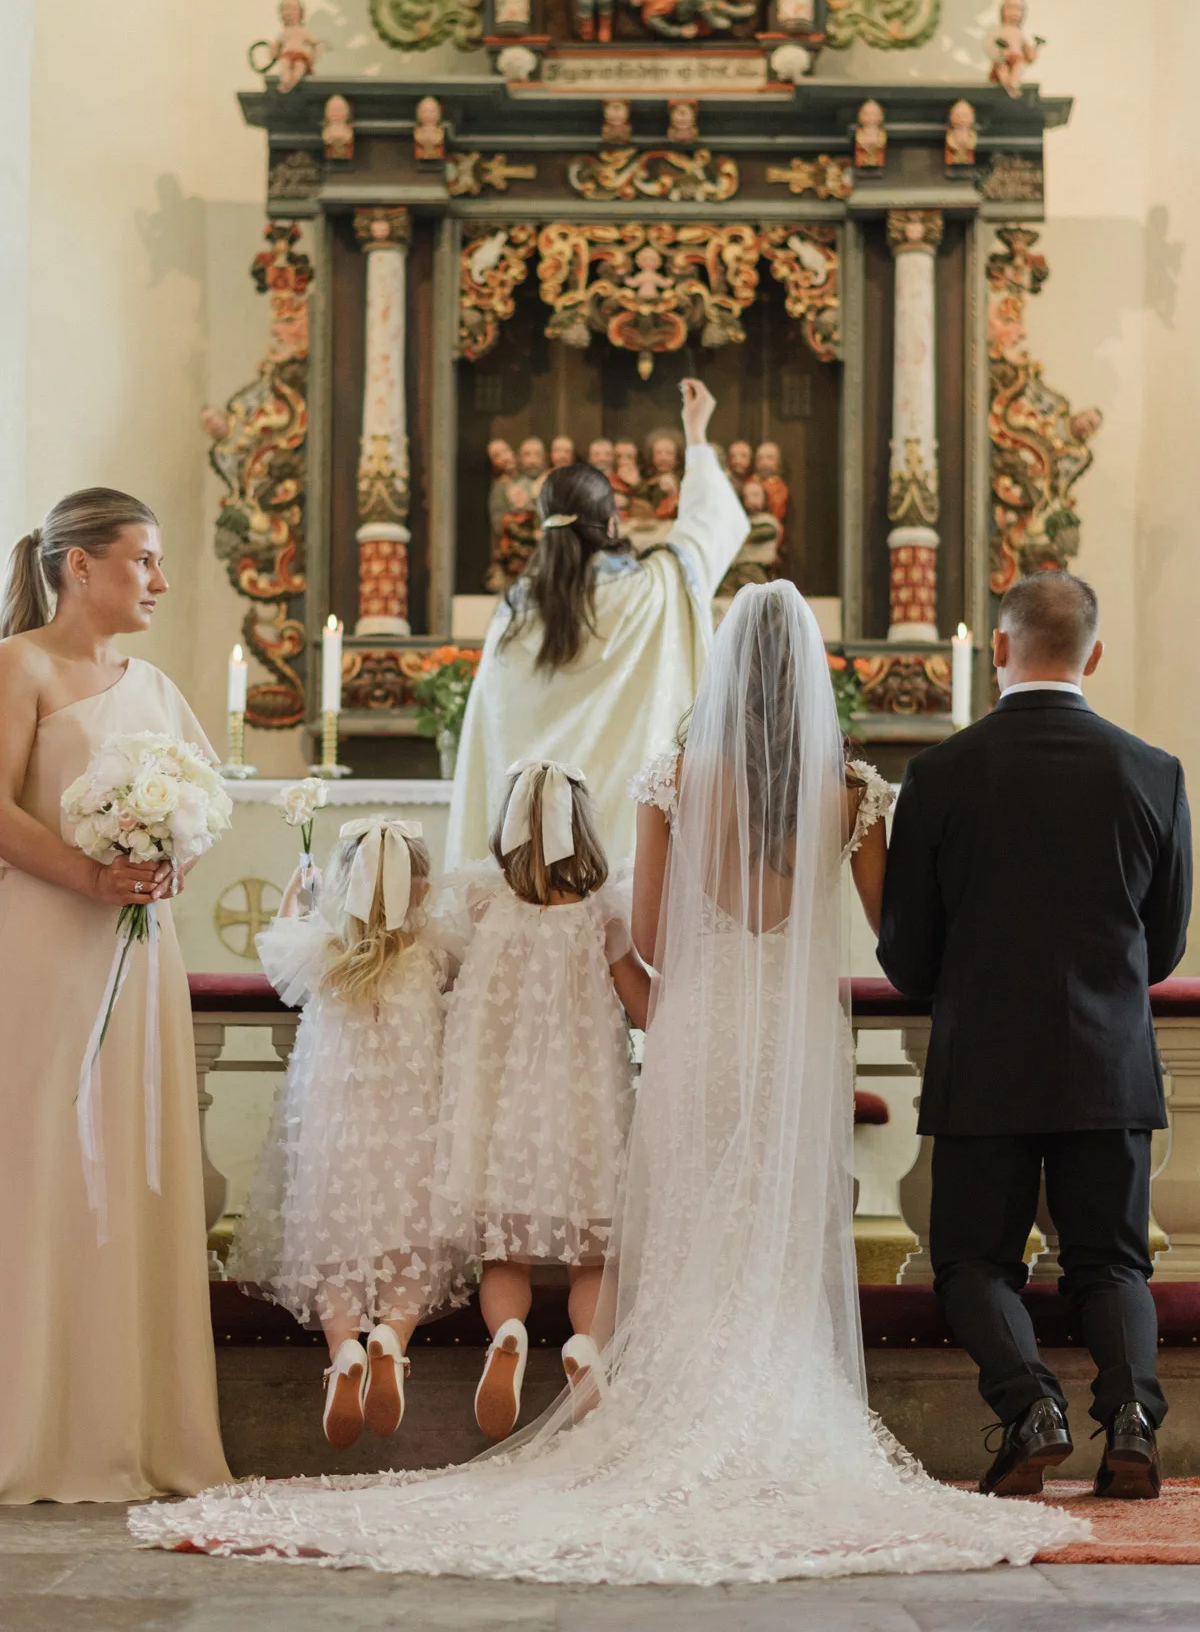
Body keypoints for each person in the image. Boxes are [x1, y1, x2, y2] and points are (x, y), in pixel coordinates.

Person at [132, 583, 1076, 1575]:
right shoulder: (850, 791)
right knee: (775, 1224)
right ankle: (771, 1398)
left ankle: (678, 1397)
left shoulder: (675, 777)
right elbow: (894, 938)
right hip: (792, 1043)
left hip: (698, 1035)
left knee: (691, 1223)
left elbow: (657, 939)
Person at [878, 571, 1192, 1500]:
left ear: (999, 654)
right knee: (1112, 1263)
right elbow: (1165, 947)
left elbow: (906, 956)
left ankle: (1030, 1410)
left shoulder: (939, 775)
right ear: (1092, 655)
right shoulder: (1153, 771)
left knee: (973, 1262)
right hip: (1109, 1063)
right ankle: (1131, 1421)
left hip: (983, 1063)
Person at [0, 490, 230, 1502]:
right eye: (144, 560)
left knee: (139, 1169)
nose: (160, 581)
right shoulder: (20, 667)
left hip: (141, 955)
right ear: (80, 567)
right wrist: (89, 874)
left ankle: (138, 1425)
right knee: (46, 1166)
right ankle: (38, 1426)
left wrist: (166, 857)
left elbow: (202, 804)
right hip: (48, 946)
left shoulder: (160, 685)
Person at [228, 819, 472, 1451]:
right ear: (421, 889)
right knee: (410, 1240)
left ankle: (345, 1356)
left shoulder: (323, 949)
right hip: (415, 1129)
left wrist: (296, 891)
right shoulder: (435, 948)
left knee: (334, 1242)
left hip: (335, 1132)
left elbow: (274, 945)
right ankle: (391, 1338)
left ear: (344, 882)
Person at [445, 379, 748, 867]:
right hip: (629, 860)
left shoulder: (514, 616)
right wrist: (695, 432)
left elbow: (492, 741)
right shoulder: (654, 589)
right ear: (611, 524)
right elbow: (711, 522)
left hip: (532, 867)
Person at [432, 760, 649, 1440]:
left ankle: (510, 1338)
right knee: (592, 1255)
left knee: (505, 1254)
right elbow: (642, 1006)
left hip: (501, 1110)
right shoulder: (604, 909)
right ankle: (586, 1351)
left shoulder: (480, 901)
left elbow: (443, 980)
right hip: (584, 1106)